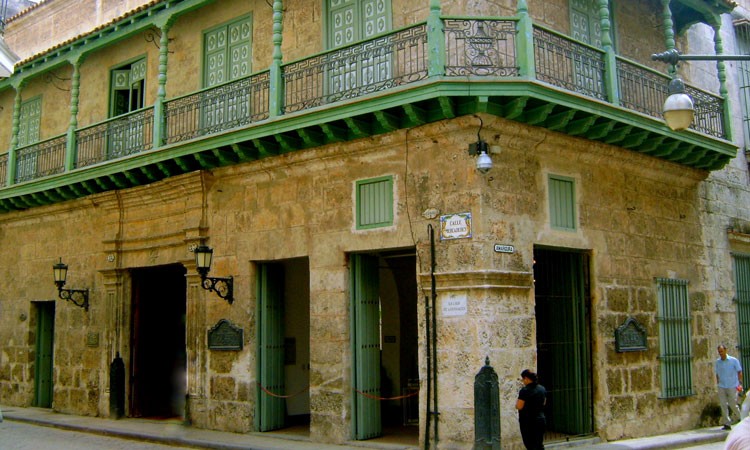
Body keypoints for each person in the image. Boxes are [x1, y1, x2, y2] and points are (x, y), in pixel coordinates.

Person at [516, 369, 546, 450]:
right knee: (539, 444)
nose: (523, 381)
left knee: (530, 444)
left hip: (528, 421)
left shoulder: (524, 391)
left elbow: (519, 406)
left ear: (526, 378)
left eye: (523, 379)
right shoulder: (542, 389)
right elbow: (544, 403)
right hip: (540, 419)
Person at [716, 344, 744, 430]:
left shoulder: (733, 360)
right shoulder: (718, 362)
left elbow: (739, 372)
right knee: (723, 404)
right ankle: (727, 423)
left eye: (722, 351)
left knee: (733, 404)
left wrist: (739, 383)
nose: (720, 353)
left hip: (732, 385)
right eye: (719, 352)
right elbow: (717, 373)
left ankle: (742, 419)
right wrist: (718, 382)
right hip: (722, 385)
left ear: (725, 350)